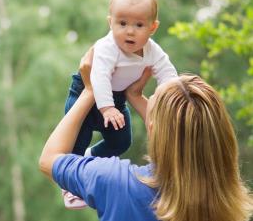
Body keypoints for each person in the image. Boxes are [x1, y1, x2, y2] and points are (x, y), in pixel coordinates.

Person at [40, 48, 253, 221]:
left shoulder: (116, 182)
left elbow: (49, 159)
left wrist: (89, 91)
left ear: (152, 126)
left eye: (152, 99)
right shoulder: (224, 203)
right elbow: (181, 135)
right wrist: (134, 95)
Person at [62, 0, 177, 208]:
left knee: (121, 141)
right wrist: (106, 108)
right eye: (122, 23)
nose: (130, 31)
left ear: (153, 28)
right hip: (89, 93)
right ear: (110, 22)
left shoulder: (153, 51)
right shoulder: (107, 47)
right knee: (76, 141)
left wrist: (173, 95)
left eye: (139, 24)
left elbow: (167, 73)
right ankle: (70, 186)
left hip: (116, 99)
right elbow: (100, 75)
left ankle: (90, 155)